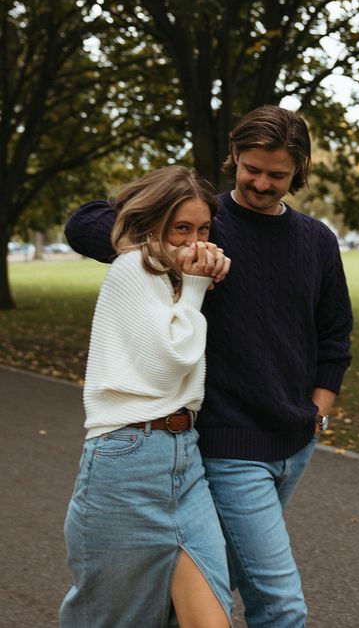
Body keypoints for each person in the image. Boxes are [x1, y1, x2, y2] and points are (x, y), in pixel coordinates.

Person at [65, 105, 353, 627]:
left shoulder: (317, 240)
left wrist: (317, 414)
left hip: (294, 441)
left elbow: (334, 338)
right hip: (227, 445)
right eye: (251, 168)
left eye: (278, 174)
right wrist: (172, 251)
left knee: (207, 589)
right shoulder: (201, 223)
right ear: (234, 159)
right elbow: (84, 222)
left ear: (299, 171)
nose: (262, 183)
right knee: (279, 601)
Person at [60, 166, 233, 628]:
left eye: (203, 229)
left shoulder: (171, 275)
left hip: (184, 458)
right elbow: (167, 363)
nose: (193, 241)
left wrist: (191, 279)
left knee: (211, 620)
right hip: (125, 460)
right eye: (181, 228)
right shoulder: (131, 269)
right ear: (154, 224)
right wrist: (195, 286)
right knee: (110, 619)